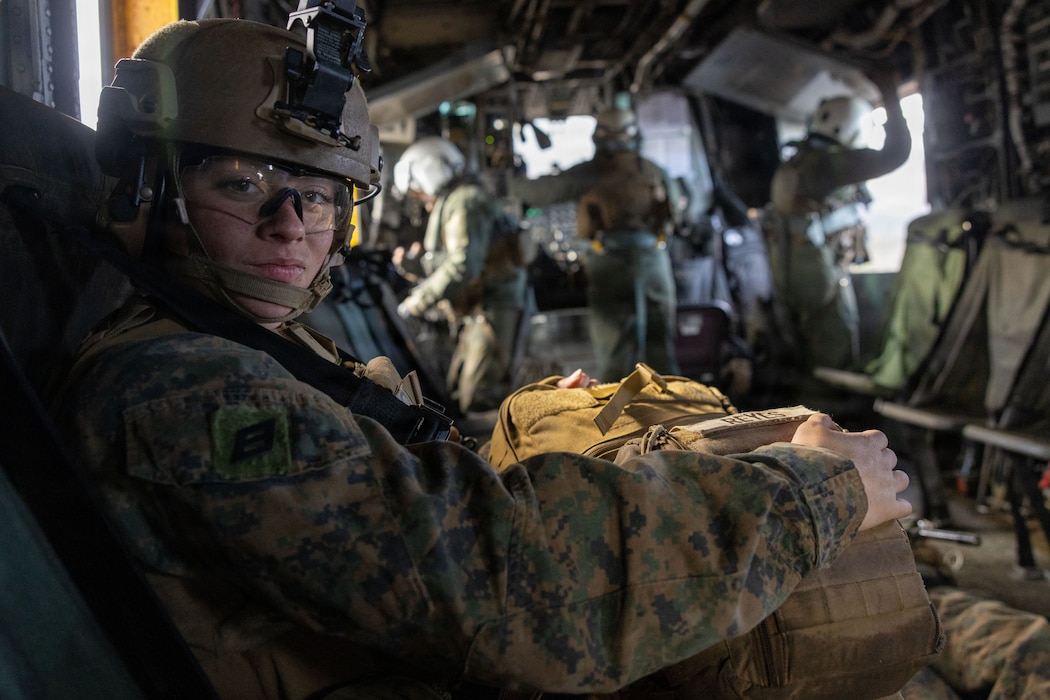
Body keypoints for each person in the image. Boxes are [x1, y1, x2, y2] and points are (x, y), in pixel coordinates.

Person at [53, 15, 910, 700]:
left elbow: (397, 517)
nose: (291, 228)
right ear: (148, 186)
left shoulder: (232, 335)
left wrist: (519, 432)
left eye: (318, 197)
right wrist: (819, 490)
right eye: (240, 184)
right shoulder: (185, 388)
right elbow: (522, 599)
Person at [511, 104, 682, 382]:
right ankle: (677, 411)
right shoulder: (652, 170)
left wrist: (505, 184)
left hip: (610, 266)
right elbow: (678, 208)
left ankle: (620, 412)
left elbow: (545, 191)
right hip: (654, 263)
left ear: (598, 137)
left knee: (616, 348)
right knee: (660, 345)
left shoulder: (592, 172)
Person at [765, 70, 912, 375]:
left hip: (788, 266)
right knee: (836, 352)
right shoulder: (826, 163)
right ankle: (838, 418)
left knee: (808, 352)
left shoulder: (796, 161)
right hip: (816, 271)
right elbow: (896, 154)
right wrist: (888, 90)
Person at [392, 136, 529, 414]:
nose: (421, 198)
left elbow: (463, 265)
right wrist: (418, 265)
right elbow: (460, 258)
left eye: (418, 190)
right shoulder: (460, 199)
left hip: (493, 310)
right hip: (480, 311)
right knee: (456, 391)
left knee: (479, 398)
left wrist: (417, 302)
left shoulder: (465, 202)